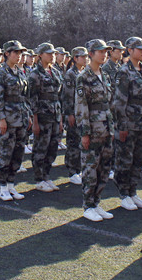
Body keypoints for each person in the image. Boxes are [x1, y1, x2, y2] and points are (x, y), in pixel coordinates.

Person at [76, 39, 115, 222]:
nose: (104, 54)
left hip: (107, 129)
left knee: (104, 168)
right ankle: (88, 205)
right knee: (90, 169)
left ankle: (96, 202)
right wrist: (85, 133)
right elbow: (81, 107)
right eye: (100, 51)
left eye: (105, 51)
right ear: (90, 54)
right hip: (93, 130)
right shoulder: (84, 77)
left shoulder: (104, 75)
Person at [112, 36, 142, 211]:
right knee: (124, 160)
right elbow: (119, 102)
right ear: (130, 51)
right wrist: (122, 126)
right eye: (139, 49)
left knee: (138, 159)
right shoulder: (123, 72)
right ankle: (124, 194)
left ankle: (133, 191)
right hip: (129, 123)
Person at [0, 40, 32, 201]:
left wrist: (28, 114)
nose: (19, 56)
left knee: (18, 153)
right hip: (7, 120)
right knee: (5, 153)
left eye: (20, 53)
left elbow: (24, 97)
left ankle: (10, 185)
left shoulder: (20, 72)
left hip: (20, 119)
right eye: (15, 52)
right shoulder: (0, 74)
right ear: (7, 53)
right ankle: (2, 187)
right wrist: (1, 119)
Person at [27, 42, 64, 192]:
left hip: (54, 116)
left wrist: (60, 119)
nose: (52, 56)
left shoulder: (55, 72)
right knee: (40, 148)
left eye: (53, 53)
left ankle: (46, 176)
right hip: (42, 117)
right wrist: (35, 121)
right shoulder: (35, 74)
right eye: (49, 53)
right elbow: (32, 99)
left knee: (52, 148)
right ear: (40, 55)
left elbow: (58, 97)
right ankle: (38, 179)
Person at [62, 46, 89, 185]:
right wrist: (69, 114)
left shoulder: (84, 72)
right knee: (73, 142)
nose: (85, 59)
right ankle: (72, 171)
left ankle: (79, 169)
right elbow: (67, 97)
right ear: (75, 58)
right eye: (82, 57)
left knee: (82, 142)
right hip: (74, 113)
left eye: (86, 56)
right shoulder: (70, 74)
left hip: (83, 114)